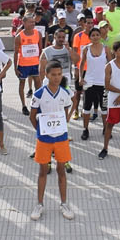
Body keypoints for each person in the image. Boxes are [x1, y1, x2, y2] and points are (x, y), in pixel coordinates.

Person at [26, 61, 78, 221]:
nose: (56, 77)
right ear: (46, 75)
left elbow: (66, 109)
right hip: (44, 139)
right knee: (43, 171)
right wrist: (41, 130)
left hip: (61, 138)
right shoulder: (39, 94)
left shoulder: (64, 93)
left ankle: (64, 203)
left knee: (61, 171)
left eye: (59, 74)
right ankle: (39, 204)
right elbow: (32, 116)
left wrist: (65, 121)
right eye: (53, 74)